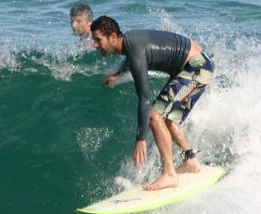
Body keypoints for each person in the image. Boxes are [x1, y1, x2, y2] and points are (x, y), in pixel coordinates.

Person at [90, 16, 215, 191]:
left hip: (196, 67)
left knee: (154, 116)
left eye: (98, 40)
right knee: (166, 119)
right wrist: (118, 74)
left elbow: (144, 98)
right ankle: (190, 161)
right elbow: (133, 58)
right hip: (198, 64)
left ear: (112, 37)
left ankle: (170, 175)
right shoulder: (130, 41)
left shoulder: (133, 50)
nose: (95, 45)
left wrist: (140, 138)